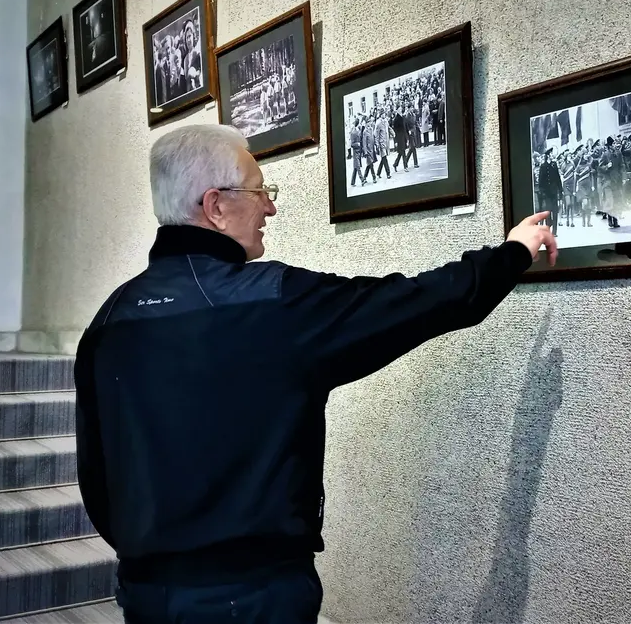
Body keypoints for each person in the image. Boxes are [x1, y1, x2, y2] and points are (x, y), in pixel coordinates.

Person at [73, 124, 558, 624]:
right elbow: (414, 304)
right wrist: (513, 252)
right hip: (254, 596)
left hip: (147, 594)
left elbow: (96, 477)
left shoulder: (109, 319)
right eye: (259, 191)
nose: (269, 207)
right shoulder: (272, 302)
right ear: (215, 206)